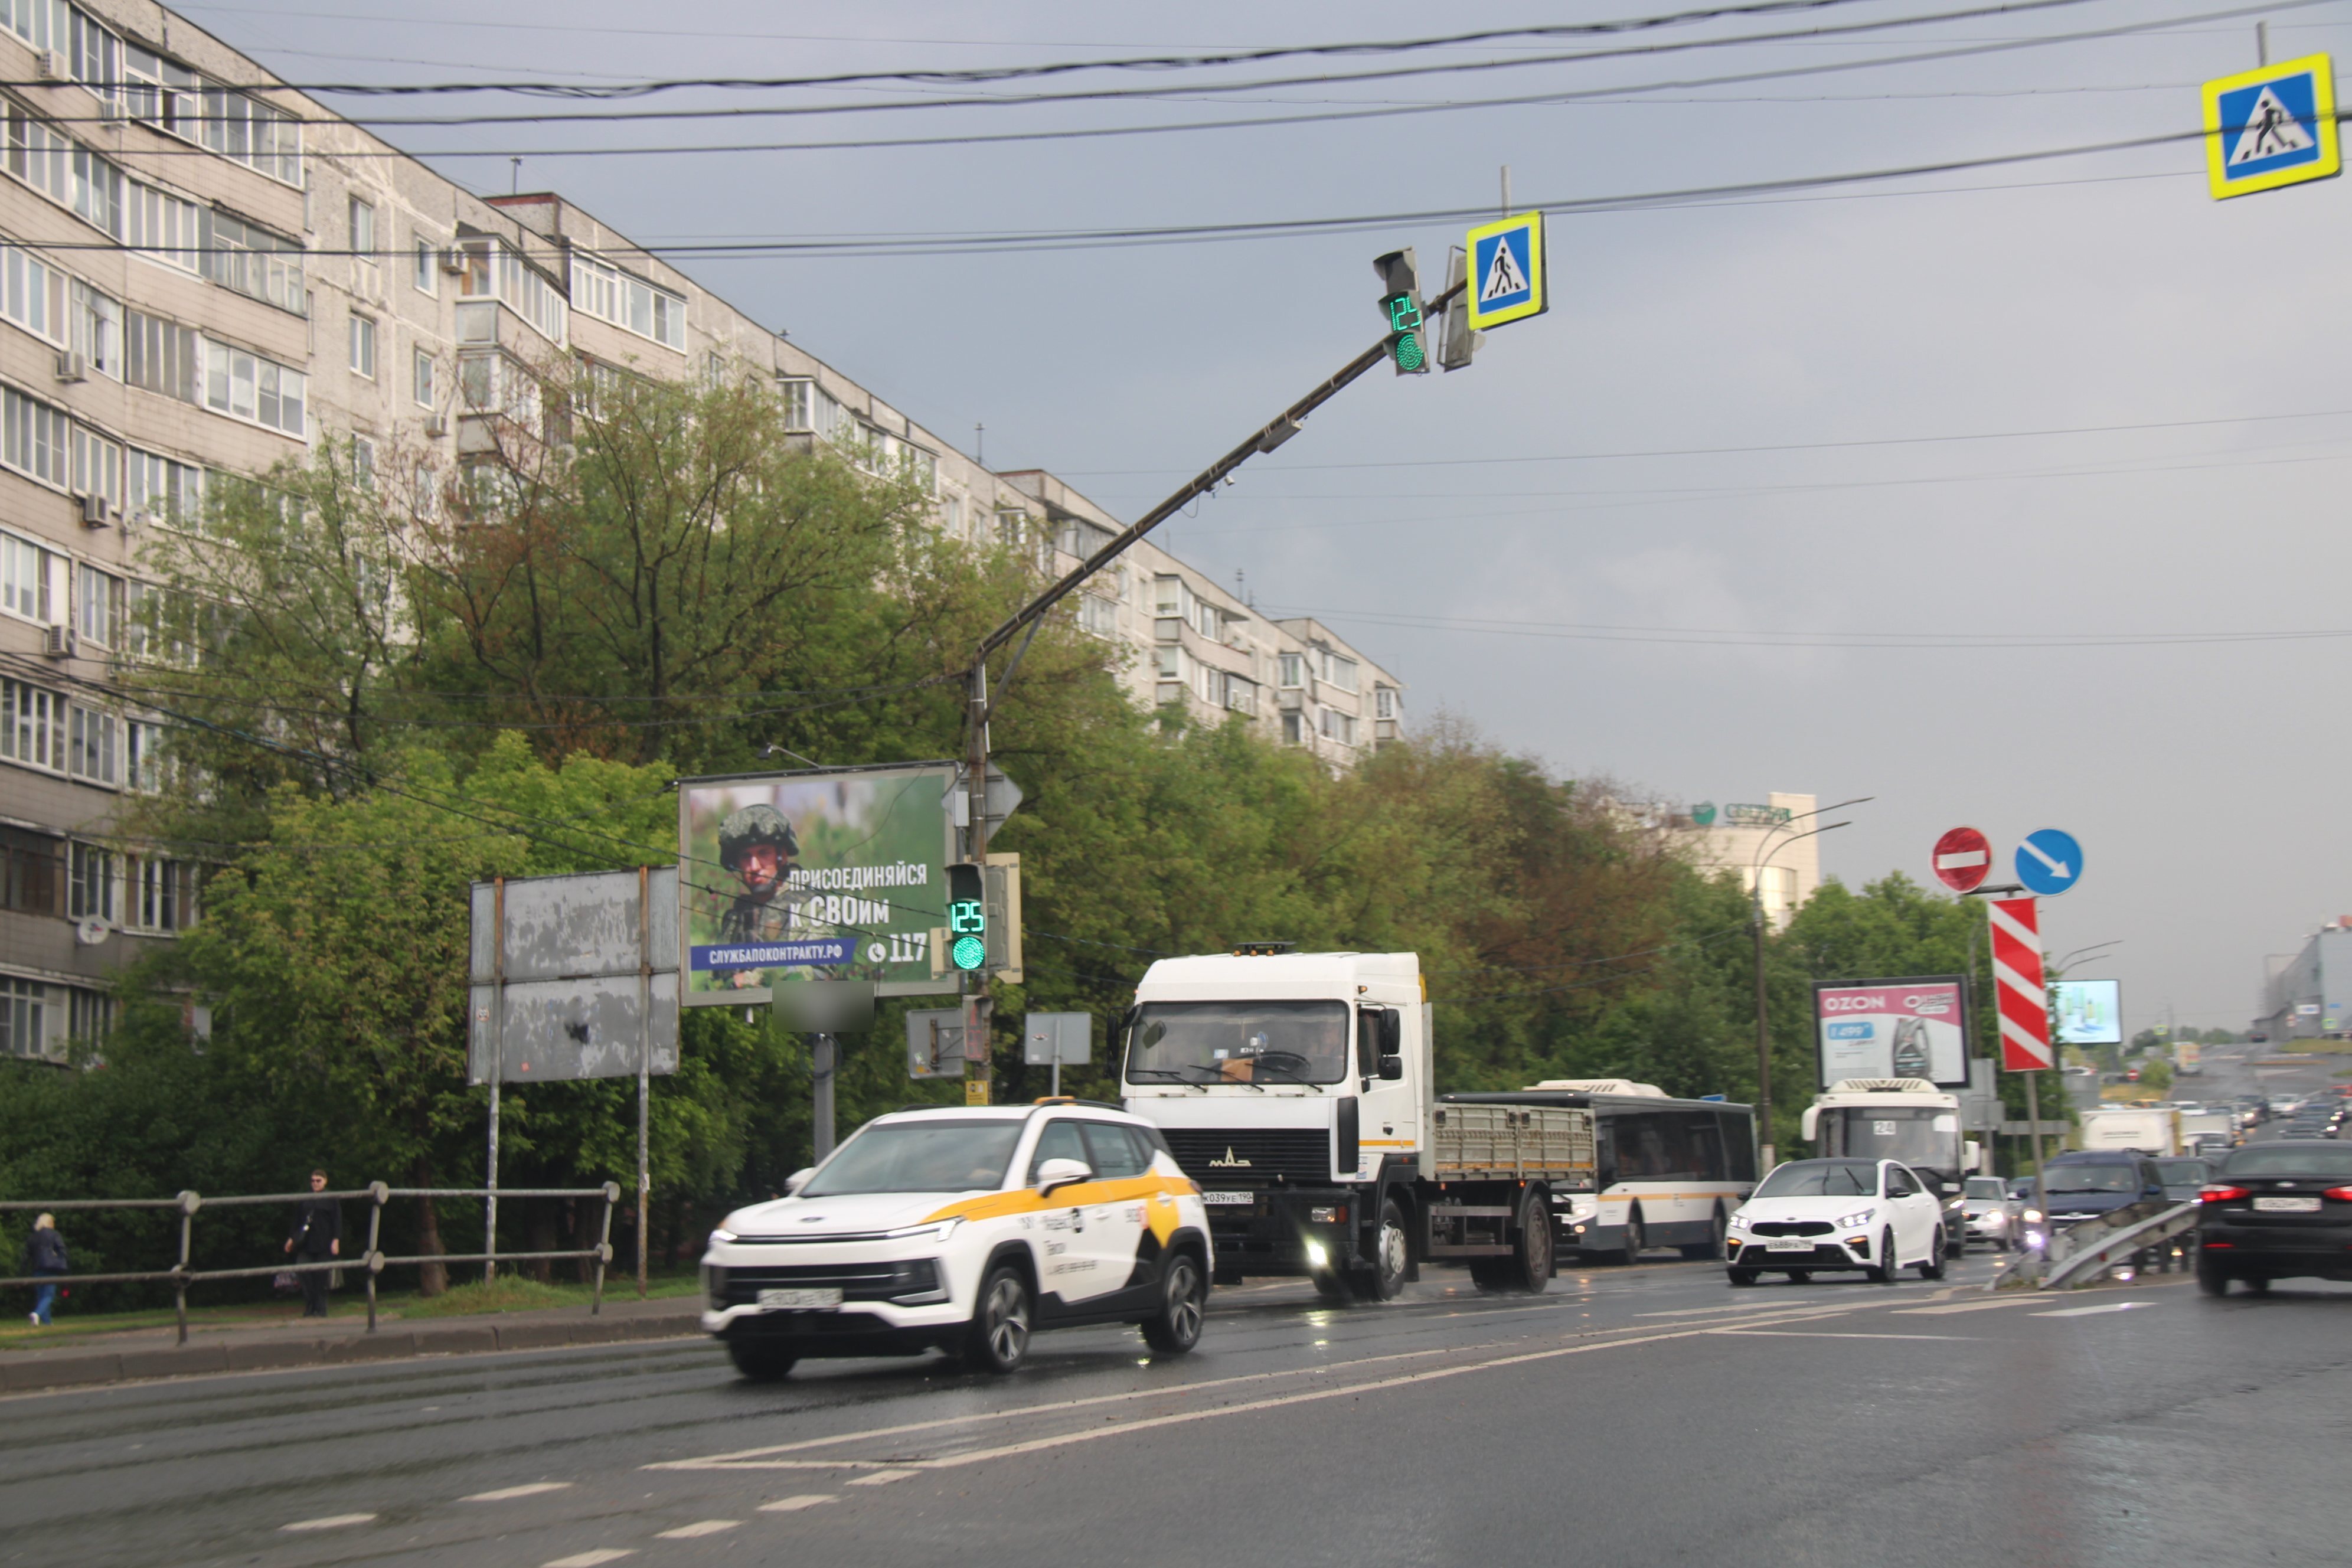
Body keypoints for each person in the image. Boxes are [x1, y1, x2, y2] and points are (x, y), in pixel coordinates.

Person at [713, 803, 803, 989]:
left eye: (764, 853)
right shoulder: (736, 917)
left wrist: (750, 980)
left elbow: (818, 970)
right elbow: (715, 978)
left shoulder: (807, 906)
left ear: (783, 856)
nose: (754, 867)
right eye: (746, 857)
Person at [284, 1170, 341, 1318]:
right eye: (313, 1181)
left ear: (325, 1181)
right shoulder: (305, 1198)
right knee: (303, 1272)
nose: (315, 1183)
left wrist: (336, 1240)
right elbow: (297, 1220)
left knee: (322, 1277)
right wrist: (291, 1239)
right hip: (306, 1244)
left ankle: (321, 1309)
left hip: (324, 1243)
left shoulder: (331, 1198)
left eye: (318, 1181)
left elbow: (337, 1220)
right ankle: (310, 1306)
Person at [24, 1213, 66, 1327]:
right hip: (51, 1267)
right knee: (49, 1295)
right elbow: (62, 1250)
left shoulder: (33, 1237)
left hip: (37, 1268)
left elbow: (26, 1256)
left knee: (41, 1296)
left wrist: (22, 1271)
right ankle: (36, 1314)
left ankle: (47, 1322)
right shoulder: (54, 1235)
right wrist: (61, 1261)